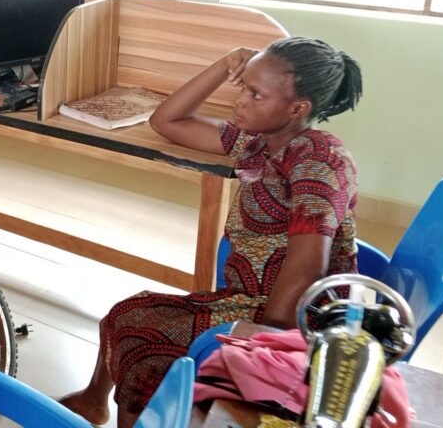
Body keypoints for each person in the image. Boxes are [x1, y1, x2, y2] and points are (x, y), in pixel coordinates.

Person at [59, 37, 364, 427]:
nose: (240, 101)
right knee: (125, 312)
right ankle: (94, 401)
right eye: (243, 87)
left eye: (255, 94)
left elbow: (307, 268)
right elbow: (166, 121)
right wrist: (224, 65)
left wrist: (260, 341)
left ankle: (134, 416)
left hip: (291, 318)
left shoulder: (318, 161)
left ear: (297, 108)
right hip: (249, 296)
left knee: (140, 336)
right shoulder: (261, 142)